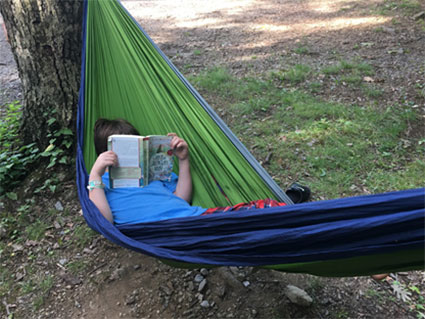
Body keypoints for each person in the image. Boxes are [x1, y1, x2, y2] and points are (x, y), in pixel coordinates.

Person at [88, 118, 310, 225]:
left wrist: (183, 161)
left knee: (262, 212)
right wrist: (95, 175)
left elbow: (181, 199)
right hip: (161, 233)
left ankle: (301, 216)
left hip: (193, 221)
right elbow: (103, 220)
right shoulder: (100, 186)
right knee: (258, 221)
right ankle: (298, 217)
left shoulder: (150, 175)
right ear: (105, 153)